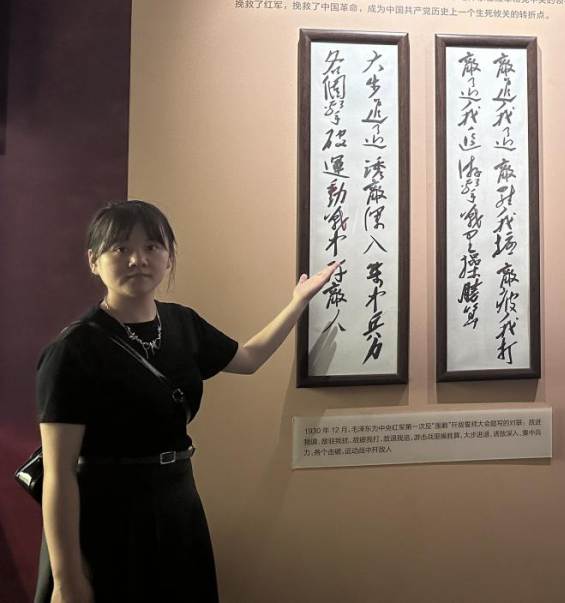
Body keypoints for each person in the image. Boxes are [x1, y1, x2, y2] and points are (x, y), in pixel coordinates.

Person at [35, 200, 338, 603]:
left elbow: (249, 358)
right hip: (106, 517)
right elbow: (59, 474)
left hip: (177, 503)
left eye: (152, 247)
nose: (138, 260)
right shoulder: (73, 349)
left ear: (169, 257)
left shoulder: (182, 323)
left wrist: (298, 301)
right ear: (94, 260)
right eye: (121, 248)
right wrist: (66, 578)